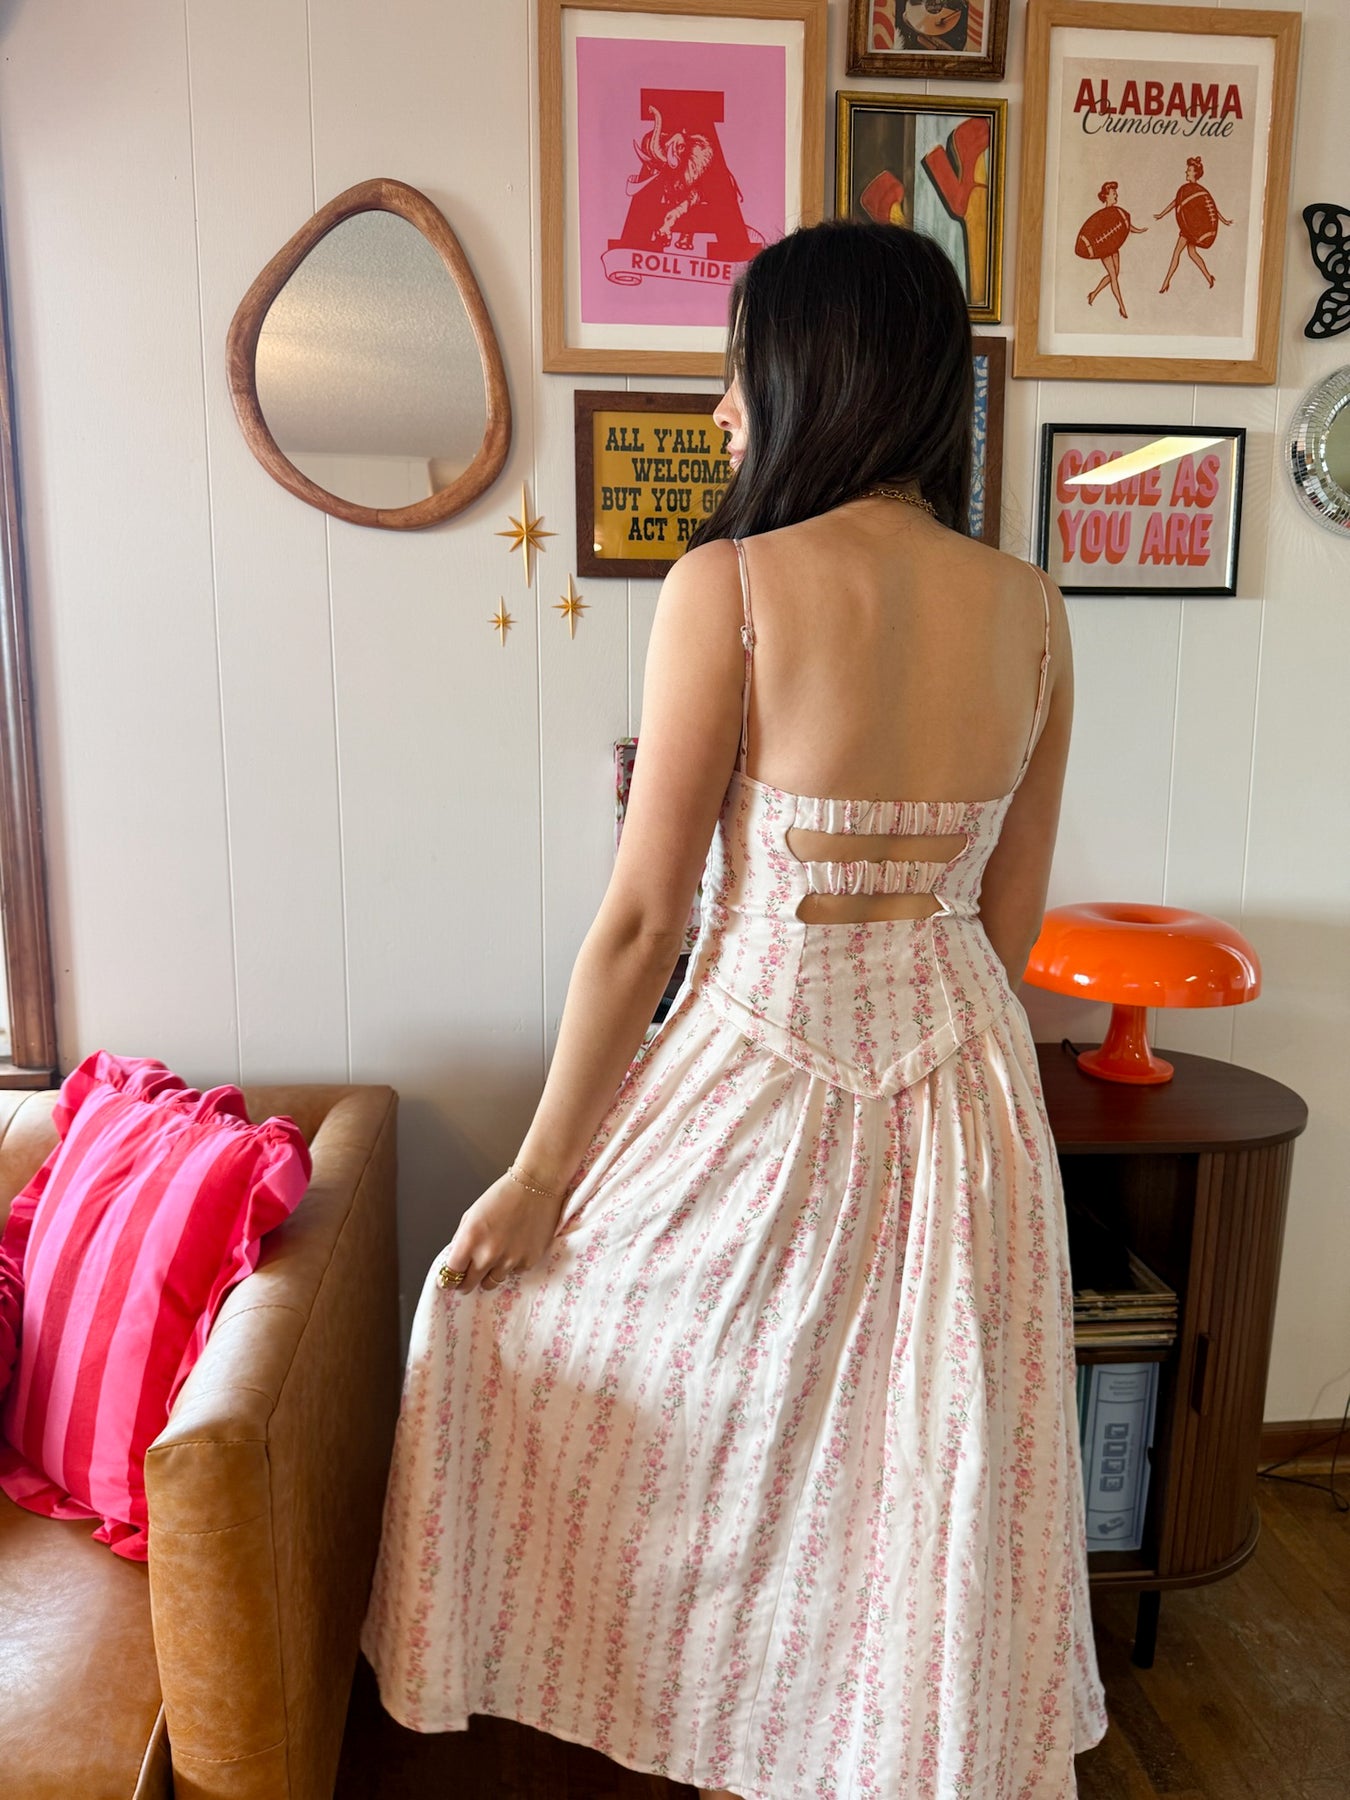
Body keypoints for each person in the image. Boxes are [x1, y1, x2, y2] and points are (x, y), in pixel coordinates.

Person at [361, 218, 1109, 1799]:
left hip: (760, 1075)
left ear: (814, 374)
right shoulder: (1034, 608)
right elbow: (1009, 926)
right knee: (909, 1480)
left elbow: (645, 922)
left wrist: (539, 1175)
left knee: (679, 1424)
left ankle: (727, 1754)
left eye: (735, 370)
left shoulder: (731, 584)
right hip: (966, 1100)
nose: (719, 410)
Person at [1155, 156, 1232, 293]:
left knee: (1177, 253)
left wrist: (1224, 220)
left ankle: (1166, 282)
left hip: (1190, 230)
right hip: (1190, 229)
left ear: (1195, 173)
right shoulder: (1186, 190)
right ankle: (1209, 277)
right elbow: (1176, 203)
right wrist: (1162, 214)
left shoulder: (1199, 190)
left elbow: (1211, 209)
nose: (1186, 172)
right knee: (1192, 253)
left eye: (1189, 170)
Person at [1077, 180, 1147, 317]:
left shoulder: (1117, 212)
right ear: (1106, 196)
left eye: (1116, 193)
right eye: (1114, 193)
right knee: (1114, 277)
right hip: (1104, 249)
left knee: (1115, 273)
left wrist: (1139, 230)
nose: (1116, 195)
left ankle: (1094, 294)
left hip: (1114, 247)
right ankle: (1122, 307)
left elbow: (1126, 225)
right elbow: (1095, 234)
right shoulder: (1101, 216)